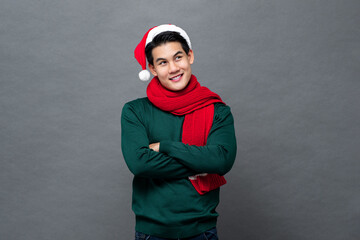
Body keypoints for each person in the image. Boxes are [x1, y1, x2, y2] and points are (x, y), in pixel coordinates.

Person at [121, 24, 237, 240]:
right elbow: (139, 163)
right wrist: (202, 159)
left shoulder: (217, 110)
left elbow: (222, 161)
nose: (173, 68)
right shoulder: (135, 111)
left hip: (202, 231)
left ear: (190, 56)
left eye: (178, 57)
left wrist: (166, 146)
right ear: (153, 69)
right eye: (163, 62)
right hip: (151, 233)